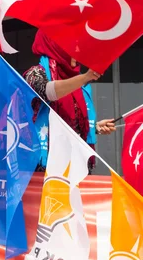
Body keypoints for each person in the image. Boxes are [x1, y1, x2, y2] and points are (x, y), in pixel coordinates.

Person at [24, 30, 116, 170]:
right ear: (55, 46)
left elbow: (71, 121)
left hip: (76, 165)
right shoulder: (35, 73)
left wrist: (94, 127)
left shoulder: (79, 81)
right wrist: (84, 78)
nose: (78, 51)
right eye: (72, 46)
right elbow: (47, 91)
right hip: (47, 169)